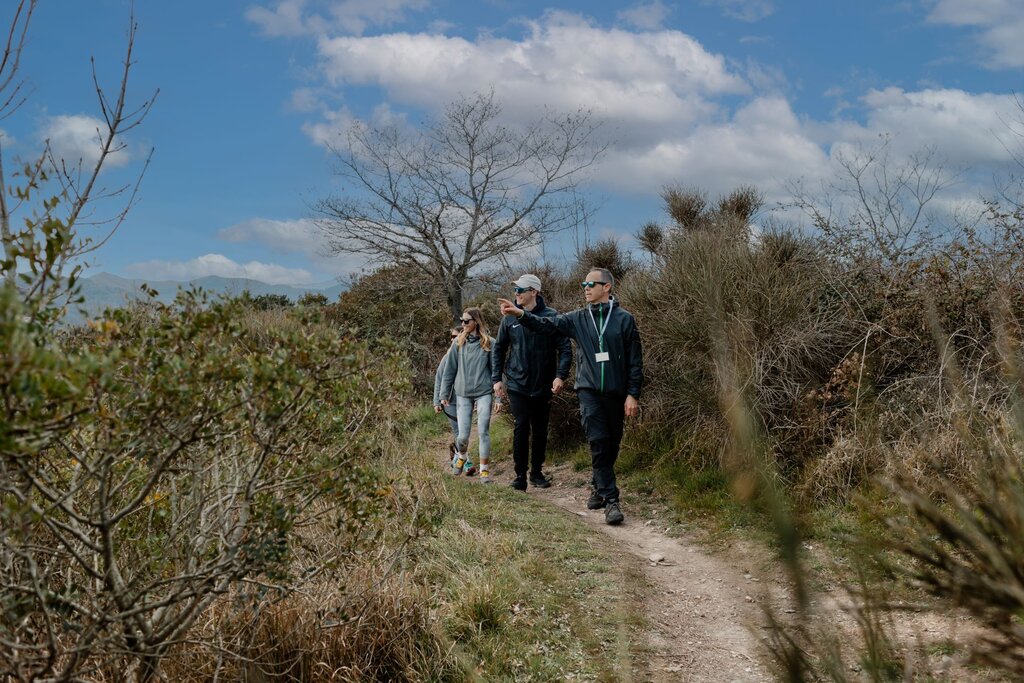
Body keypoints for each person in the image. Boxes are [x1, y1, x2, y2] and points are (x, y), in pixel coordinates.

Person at [497, 267, 642, 525]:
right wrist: (520, 314)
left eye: (591, 284)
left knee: (611, 443)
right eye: (583, 284)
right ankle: (611, 501)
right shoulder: (576, 318)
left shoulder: (624, 319)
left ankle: (598, 486)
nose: (585, 288)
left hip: (616, 393)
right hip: (588, 391)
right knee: (598, 441)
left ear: (606, 287)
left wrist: (632, 394)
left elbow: (634, 361)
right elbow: (546, 324)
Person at [492, 274, 571, 491]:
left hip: (544, 384)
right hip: (517, 383)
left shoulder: (552, 316)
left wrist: (560, 375)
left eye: (521, 290)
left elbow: (565, 348)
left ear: (534, 292)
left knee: (540, 430)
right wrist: (497, 379)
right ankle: (519, 476)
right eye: (515, 290)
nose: (516, 293)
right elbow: (499, 349)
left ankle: (536, 472)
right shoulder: (508, 318)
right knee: (520, 427)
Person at [439, 307, 497, 483]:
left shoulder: (489, 343)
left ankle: (484, 470)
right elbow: (449, 370)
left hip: (484, 392)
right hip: (462, 393)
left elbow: (496, 371)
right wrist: (444, 394)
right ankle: (462, 455)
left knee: (483, 431)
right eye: (462, 321)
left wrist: (499, 397)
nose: (463, 324)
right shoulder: (457, 343)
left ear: (476, 322)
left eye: (466, 321)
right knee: (463, 435)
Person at [434, 325, 476, 476]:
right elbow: (439, 379)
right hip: (449, 401)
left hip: (466, 400)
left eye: (456, 336)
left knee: (464, 432)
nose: (453, 339)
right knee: (459, 432)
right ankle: (466, 462)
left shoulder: (471, 355)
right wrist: (437, 402)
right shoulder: (447, 357)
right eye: (451, 337)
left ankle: (456, 456)